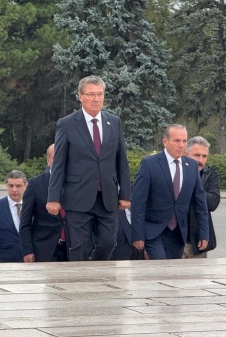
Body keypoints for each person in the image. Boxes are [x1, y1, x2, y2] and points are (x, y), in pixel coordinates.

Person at [46, 75, 131, 261]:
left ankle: (97, 273)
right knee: (80, 245)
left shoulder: (113, 122)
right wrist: (53, 197)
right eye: (91, 94)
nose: (96, 99)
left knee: (109, 241)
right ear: (80, 96)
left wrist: (125, 193)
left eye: (100, 94)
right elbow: (59, 163)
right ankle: (80, 281)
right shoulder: (67, 124)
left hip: (107, 196)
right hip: (77, 196)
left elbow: (121, 160)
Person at [131, 124, 209, 259]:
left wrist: (203, 233)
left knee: (173, 273)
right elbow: (138, 202)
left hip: (178, 233)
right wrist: (137, 234)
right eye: (176, 141)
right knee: (160, 268)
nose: (181, 145)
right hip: (153, 231)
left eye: (184, 141)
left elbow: (200, 203)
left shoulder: (191, 166)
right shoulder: (149, 164)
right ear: (165, 141)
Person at [20, 144, 68, 262]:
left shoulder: (78, 184)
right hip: (44, 249)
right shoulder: (35, 184)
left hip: (73, 248)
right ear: (48, 161)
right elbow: (25, 222)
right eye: (56, 158)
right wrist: (27, 251)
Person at [183, 136, 220, 258]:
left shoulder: (211, 175)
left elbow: (213, 203)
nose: (201, 160)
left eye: (204, 156)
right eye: (197, 155)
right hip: (175, 240)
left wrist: (193, 188)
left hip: (198, 242)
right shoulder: (175, 172)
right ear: (185, 153)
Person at [0, 170, 28, 263]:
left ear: (25, 185)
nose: (14, 190)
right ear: (6, 185)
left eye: (18, 186)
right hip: (3, 262)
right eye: (11, 186)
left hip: (28, 261)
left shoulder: (32, 206)